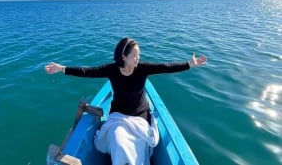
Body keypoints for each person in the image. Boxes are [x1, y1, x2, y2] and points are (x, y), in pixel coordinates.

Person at [45, 37, 207, 165]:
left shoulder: (143, 68)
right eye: (134, 55)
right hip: (118, 116)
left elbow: (166, 67)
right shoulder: (112, 70)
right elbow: (87, 71)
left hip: (140, 116)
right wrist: (62, 69)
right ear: (123, 56)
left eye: (139, 55)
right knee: (119, 140)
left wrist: (190, 64)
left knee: (138, 145)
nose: (138, 58)